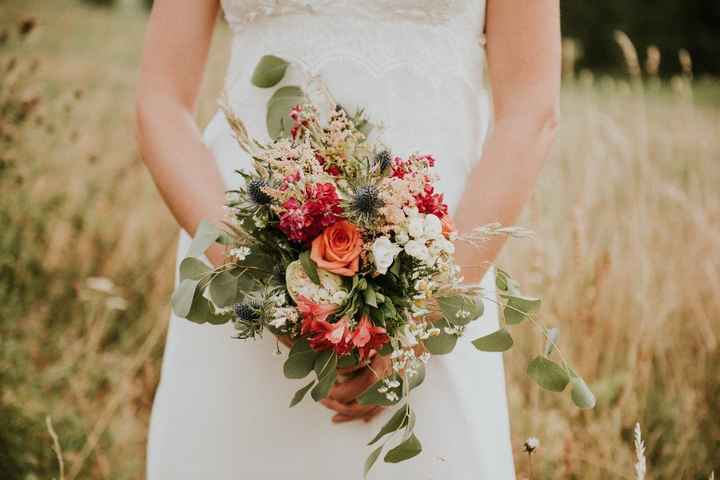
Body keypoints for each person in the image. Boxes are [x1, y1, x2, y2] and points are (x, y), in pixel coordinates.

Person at [136, 0, 560, 478]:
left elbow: (531, 110)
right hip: (238, 258)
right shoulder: (245, 272)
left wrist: (418, 323)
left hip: (438, 267)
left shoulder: (429, 304)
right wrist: (256, 279)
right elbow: (160, 100)